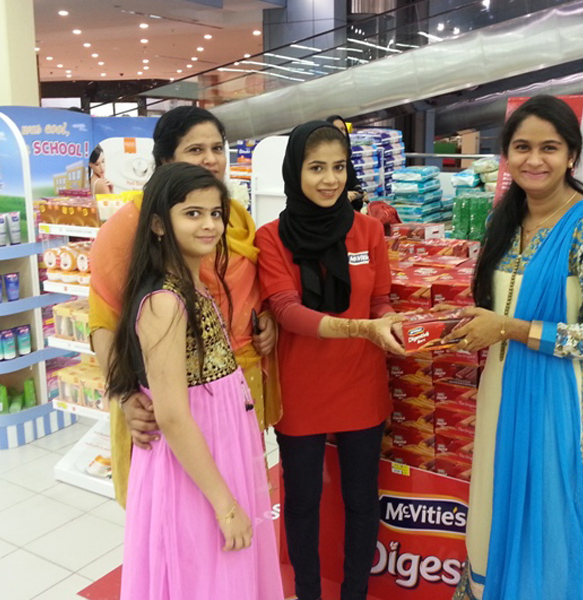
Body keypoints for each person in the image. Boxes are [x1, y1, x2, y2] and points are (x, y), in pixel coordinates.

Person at [445, 95, 583, 599]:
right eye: (522, 147)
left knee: (551, 523)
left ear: (571, 154)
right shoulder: (505, 222)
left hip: (560, 405)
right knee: (492, 508)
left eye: (549, 148)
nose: (534, 160)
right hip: (499, 394)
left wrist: (509, 328)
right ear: (506, 155)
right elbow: (496, 308)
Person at [106, 162, 283, 600]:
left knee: (223, 570)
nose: (209, 224)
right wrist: (224, 505)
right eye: (192, 213)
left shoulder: (194, 285)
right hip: (191, 465)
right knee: (204, 573)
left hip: (216, 448)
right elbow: (172, 415)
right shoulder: (165, 301)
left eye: (215, 213)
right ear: (158, 225)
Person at [89, 106, 280, 508]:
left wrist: (265, 319)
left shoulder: (233, 216)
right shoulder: (131, 226)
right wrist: (126, 397)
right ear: (165, 161)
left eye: (217, 148)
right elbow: (105, 322)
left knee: (241, 499)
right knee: (183, 513)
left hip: (237, 390)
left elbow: (248, 291)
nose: (211, 159)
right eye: (195, 150)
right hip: (170, 402)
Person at [255, 121, 404, 600]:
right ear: (294, 172)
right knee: (302, 501)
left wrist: (391, 320)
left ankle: (354, 592)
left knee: (361, 500)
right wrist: (361, 328)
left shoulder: (368, 230)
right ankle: (307, 593)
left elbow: (378, 300)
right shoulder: (271, 238)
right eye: (316, 167)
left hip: (361, 383)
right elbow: (286, 311)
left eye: (339, 167)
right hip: (301, 388)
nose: (330, 179)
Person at [326, 115, 367, 211]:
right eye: (336, 129)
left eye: (342, 129)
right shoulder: (325, 157)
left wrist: (360, 192)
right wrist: (343, 195)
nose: (340, 132)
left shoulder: (346, 157)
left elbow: (353, 180)